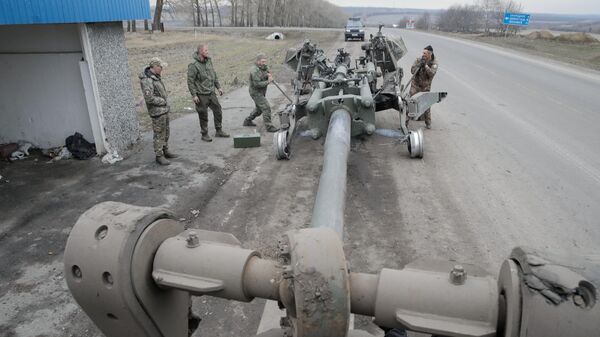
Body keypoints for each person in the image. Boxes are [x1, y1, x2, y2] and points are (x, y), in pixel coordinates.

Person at [187, 44, 230, 142]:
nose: (207, 52)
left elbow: (213, 74)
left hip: (211, 92)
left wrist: (218, 87)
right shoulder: (193, 65)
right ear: (200, 52)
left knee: (218, 110)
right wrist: (194, 95)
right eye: (206, 50)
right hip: (201, 94)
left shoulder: (209, 61)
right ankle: (204, 134)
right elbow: (190, 81)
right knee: (203, 114)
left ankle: (219, 130)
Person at [140, 57, 177, 166]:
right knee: (159, 134)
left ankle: (165, 150)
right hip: (157, 111)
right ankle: (159, 155)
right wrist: (163, 100)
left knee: (166, 132)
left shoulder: (155, 77)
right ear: (155, 67)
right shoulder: (147, 80)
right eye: (160, 67)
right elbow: (149, 98)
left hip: (163, 110)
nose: (162, 69)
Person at [243, 53, 279, 132]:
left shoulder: (263, 67)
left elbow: (267, 72)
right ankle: (269, 127)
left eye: (265, 61)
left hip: (261, 91)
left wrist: (269, 75)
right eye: (262, 62)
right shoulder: (254, 70)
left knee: (259, 110)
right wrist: (268, 81)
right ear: (258, 61)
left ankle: (247, 121)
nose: (264, 63)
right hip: (255, 92)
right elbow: (257, 84)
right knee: (266, 107)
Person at [408, 45, 438, 129]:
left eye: (425, 53)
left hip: (425, 87)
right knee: (410, 101)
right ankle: (406, 122)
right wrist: (419, 65)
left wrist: (425, 66)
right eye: (423, 53)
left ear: (430, 54)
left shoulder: (434, 63)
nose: (423, 54)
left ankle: (428, 123)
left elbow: (431, 73)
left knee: (427, 104)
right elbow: (412, 71)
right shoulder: (419, 60)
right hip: (416, 85)